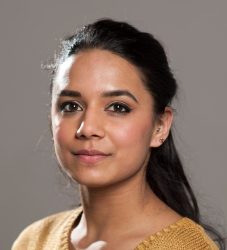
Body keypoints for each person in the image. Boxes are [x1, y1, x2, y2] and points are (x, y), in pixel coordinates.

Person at [12, 19, 225, 250]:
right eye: (71, 106)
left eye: (118, 107)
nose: (87, 128)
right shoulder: (32, 241)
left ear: (160, 127)